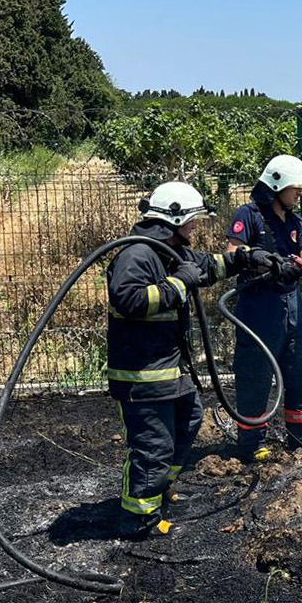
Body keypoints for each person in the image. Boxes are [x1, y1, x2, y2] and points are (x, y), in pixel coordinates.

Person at [106, 181, 270, 537]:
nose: (195, 227)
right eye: (192, 220)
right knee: (152, 446)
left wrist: (245, 260)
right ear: (174, 218)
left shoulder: (169, 251)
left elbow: (206, 266)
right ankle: (139, 519)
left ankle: (159, 491)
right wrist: (179, 284)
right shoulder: (138, 255)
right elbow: (129, 301)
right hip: (142, 376)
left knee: (189, 420)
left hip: (169, 370)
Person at [227, 154, 302, 461]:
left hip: (293, 306)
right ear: (276, 185)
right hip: (259, 308)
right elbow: (233, 251)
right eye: (296, 189)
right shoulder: (249, 215)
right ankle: (252, 445)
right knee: (255, 375)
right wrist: (267, 263)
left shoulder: (294, 221)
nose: (300, 195)